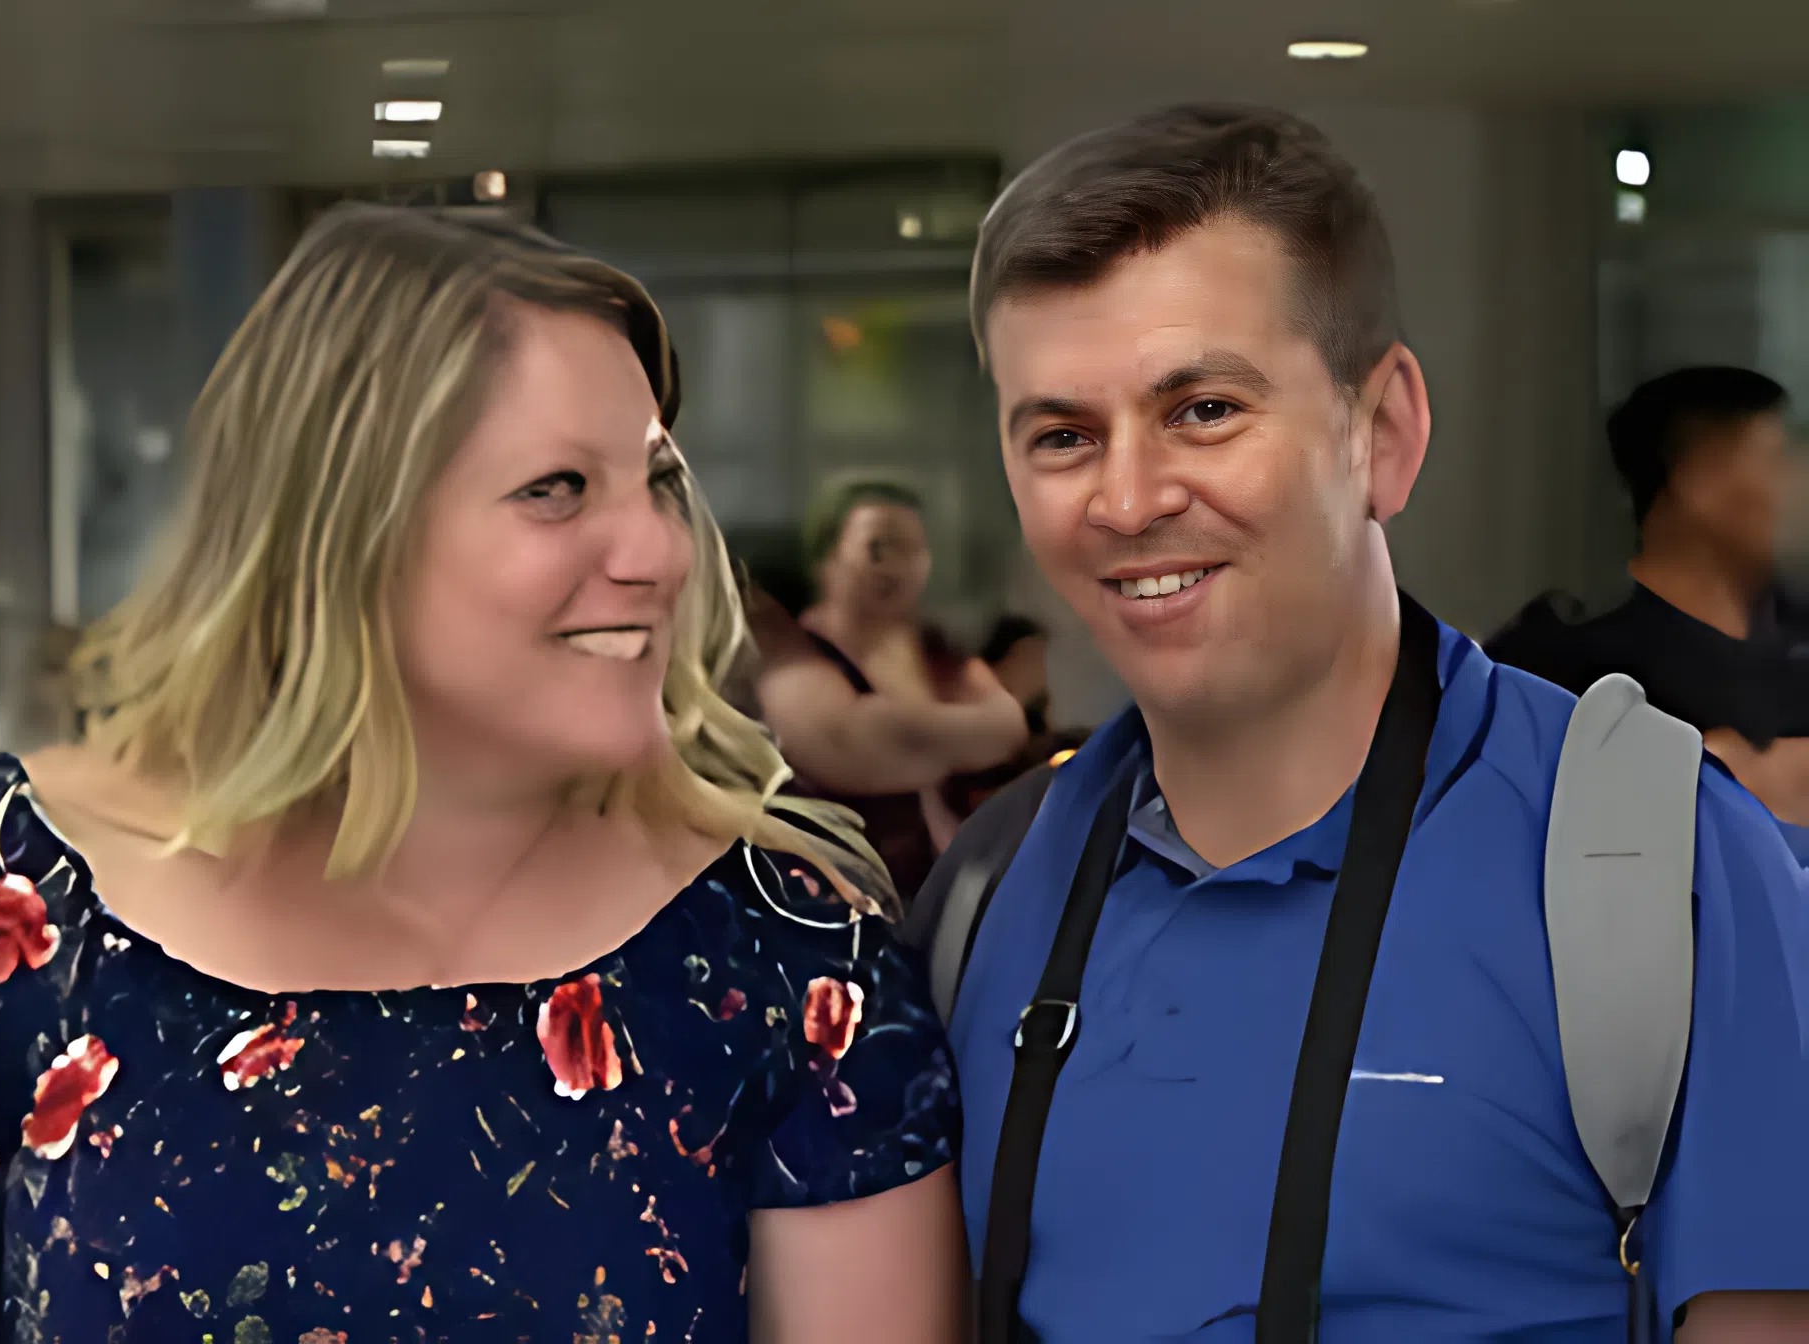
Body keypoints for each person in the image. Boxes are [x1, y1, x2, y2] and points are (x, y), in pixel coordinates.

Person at [0, 205, 965, 1344]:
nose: (657, 550)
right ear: (340, 532)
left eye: (658, 481)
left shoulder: (786, 958)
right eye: (556, 491)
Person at [947, 104, 1809, 1340]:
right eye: (1063, 437)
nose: (1127, 501)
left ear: (1383, 432)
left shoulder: (1664, 872)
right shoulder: (990, 890)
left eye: (1204, 410)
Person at [1490, 368, 1809, 827]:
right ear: (1701, 484)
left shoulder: (1795, 632)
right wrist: (1713, 787)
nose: (1796, 483)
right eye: (1775, 460)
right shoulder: (1560, 664)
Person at [755, 476, 1030, 894]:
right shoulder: (790, 653)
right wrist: (958, 733)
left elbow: (1009, 725)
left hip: (952, 890)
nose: (898, 567)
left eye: (913, 550)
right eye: (879, 548)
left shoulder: (934, 650)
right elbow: (861, 746)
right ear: (827, 556)